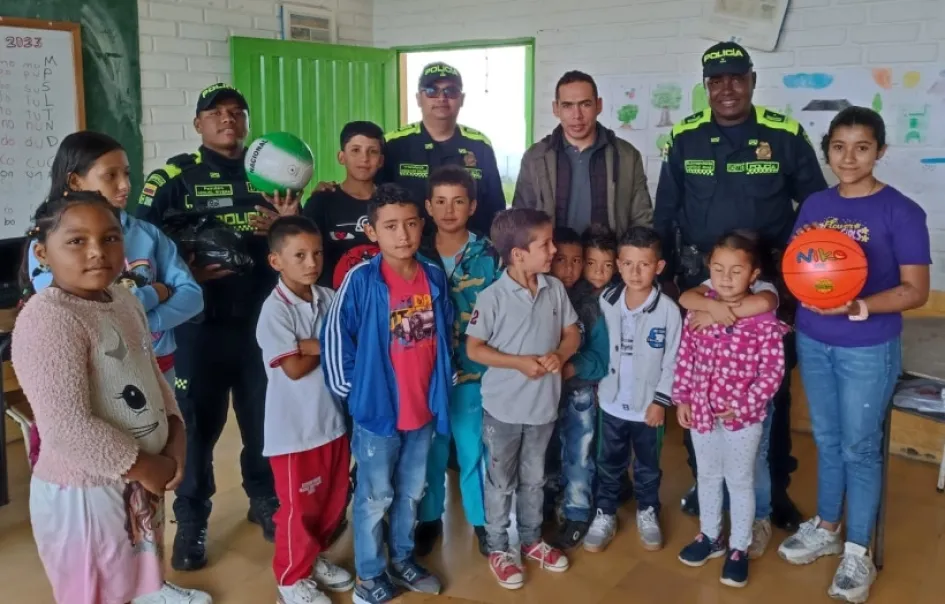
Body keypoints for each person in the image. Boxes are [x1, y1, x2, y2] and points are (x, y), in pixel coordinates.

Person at [21, 132, 209, 604]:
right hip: (86, 490)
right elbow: (66, 426)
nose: (96, 252)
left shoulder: (123, 299)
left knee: (137, 578)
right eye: (77, 241)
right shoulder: (50, 318)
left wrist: (176, 436)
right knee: (97, 589)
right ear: (44, 253)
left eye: (110, 239)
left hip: (136, 481)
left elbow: (149, 375)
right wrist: (146, 465)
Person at [654, 41, 828, 528]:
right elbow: (666, 211)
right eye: (716, 80)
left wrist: (795, 277)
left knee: (768, 390)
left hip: (767, 287)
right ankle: (704, 478)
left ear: (752, 80)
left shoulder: (785, 134)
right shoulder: (685, 137)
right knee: (700, 382)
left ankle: (775, 492)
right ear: (705, 85)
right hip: (700, 284)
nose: (726, 88)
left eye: (736, 78)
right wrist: (668, 283)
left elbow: (815, 211)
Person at [777, 107, 931, 604]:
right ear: (827, 152)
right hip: (814, 338)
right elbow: (801, 267)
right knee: (827, 437)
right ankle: (826, 525)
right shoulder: (815, 205)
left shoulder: (902, 211)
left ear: (880, 151)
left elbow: (916, 291)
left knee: (860, 448)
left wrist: (861, 304)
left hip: (868, 346)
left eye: (862, 147)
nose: (849, 157)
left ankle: (858, 549)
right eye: (839, 147)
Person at [136, 83, 282, 570]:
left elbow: (299, 243)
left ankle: (265, 501)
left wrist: (285, 222)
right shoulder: (172, 179)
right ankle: (192, 520)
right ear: (198, 123)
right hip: (198, 328)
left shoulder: (272, 174)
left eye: (237, 112)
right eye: (216, 113)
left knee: (263, 423)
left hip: (261, 325)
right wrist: (185, 277)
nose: (228, 120)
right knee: (197, 430)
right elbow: (138, 252)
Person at [321, 183, 453, 604]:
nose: (403, 235)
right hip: (378, 413)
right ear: (372, 231)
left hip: (421, 410)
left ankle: (402, 559)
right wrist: (355, 395)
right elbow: (337, 341)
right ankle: (369, 575)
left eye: (411, 224)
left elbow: (444, 334)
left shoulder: (432, 275)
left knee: (412, 491)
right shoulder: (362, 280)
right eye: (391, 226)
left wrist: (442, 386)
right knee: (375, 496)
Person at [466, 208, 582, 590]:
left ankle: (531, 540)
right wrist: (518, 363)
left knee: (534, 478)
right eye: (545, 244)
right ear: (518, 254)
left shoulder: (554, 289)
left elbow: (572, 333)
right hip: (502, 411)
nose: (553, 251)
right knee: (500, 481)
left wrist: (561, 355)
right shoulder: (493, 296)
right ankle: (499, 547)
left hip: (543, 408)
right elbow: (475, 349)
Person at [673, 232, 789, 589]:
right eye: (718, 269)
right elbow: (684, 358)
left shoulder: (764, 322)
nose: (725, 277)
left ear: (754, 275)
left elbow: (772, 374)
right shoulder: (700, 309)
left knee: (739, 481)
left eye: (736, 271)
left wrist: (740, 407)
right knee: (707, 476)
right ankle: (710, 536)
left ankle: (738, 547)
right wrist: (683, 399)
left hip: (743, 420)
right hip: (702, 415)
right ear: (709, 269)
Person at [256, 216, 355, 604]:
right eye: (299, 255)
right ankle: (290, 577)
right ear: (276, 261)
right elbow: (294, 368)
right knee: (300, 510)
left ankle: (313, 560)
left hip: (332, 423)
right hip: (295, 433)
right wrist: (327, 343)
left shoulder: (328, 298)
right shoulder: (274, 312)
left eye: (316, 253)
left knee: (331, 506)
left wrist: (311, 344)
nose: (311, 262)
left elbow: (350, 341)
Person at [415, 165, 503, 557]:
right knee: (432, 453)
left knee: (472, 451)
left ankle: (482, 522)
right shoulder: (414, 254)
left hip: (474, 375)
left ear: (473, 206)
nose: (449, 210)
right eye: (440, 202)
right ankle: (430, 518)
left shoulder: (490, 256)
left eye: (459, 201)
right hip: (426, 376)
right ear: (428, 207)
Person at [584, 226, 682, 554]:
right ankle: (605, 512)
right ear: (618, 264)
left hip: (647, 408)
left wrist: (660, 401)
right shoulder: (606, 302)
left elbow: (673, 360)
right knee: (608, 462)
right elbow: (596, 348)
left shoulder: (668, 310)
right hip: (611, 404)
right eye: (626, 264)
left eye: (644, 264)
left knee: (647, 465)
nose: (635, 272)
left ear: (659, 267)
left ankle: (648, 509)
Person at [512, 70, 653, 237]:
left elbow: (642, 221)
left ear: (598, 105)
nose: (577, 115)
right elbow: (520, 221)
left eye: (585, 104)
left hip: (608, 261)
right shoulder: (535, 158)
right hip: (552, 260)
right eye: (567, 106)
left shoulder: (627, 156)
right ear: (556, 109)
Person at [544, 226, 610, 549]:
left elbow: (601, 357)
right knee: (544, 451)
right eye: (560, 260)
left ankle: (578, 511)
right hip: (542, 391)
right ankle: (546, 505)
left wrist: (571, 367)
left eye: (576, 261)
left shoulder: (590, 304)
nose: (569, 269)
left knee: (579, 452)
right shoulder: (538, 294)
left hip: (579, 392)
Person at [383, 62, 505, 234]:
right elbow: (369, 196)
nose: (442, 98)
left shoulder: (479, 145)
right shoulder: (393, 143)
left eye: (451, 91)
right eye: (432, 91)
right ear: (418, 98)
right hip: (410, 251)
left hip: (472, 254)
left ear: (462, 99)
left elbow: (496, 207)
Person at [303, 121, 384, 289]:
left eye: (373, 151)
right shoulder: (321, 202)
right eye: (355, 150)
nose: (364, 158)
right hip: (333, 303)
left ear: (381, 160)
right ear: (341, 157)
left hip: (383, 302)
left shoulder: (391, 202)